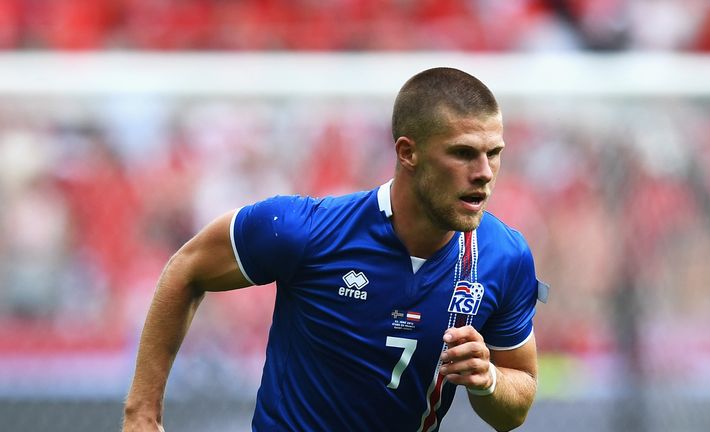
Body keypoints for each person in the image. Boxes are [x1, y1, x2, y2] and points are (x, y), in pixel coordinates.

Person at [123, 67, 548, 432]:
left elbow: (516, 405)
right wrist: (142, 412)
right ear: (407, 153)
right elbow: (187, 268)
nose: (484, 173)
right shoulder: (304, 231)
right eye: (463, 154)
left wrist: (488, 379)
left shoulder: (504, 258)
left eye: (494, 154)